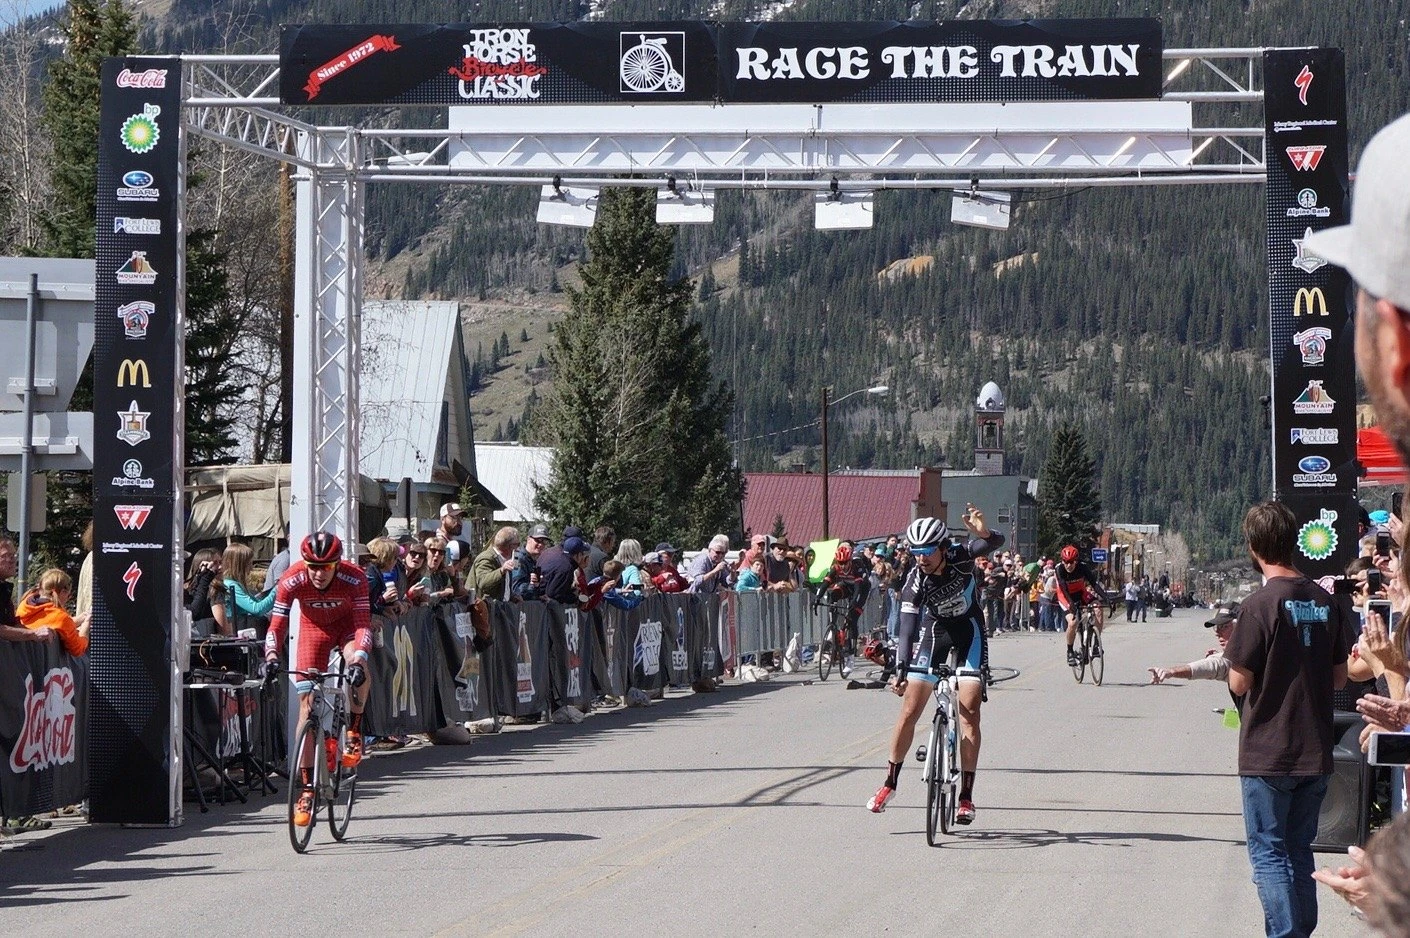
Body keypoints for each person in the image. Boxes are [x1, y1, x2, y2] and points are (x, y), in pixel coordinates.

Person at [1222, 501, 1350, 938]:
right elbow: (1339, 676)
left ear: (1254, 546)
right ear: (1293, 541)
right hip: (1315, 748)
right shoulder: (1324, 600)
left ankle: (1286, 934)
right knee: (1298, 850)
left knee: (1268, 854)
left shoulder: (1258, 605)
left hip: (1269, 751)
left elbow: (1239, 682)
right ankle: (1300, 930)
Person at [869, 507, 1003, 824]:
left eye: (928, 551)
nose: (922, 558)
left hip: (969, 630)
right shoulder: (915, 580)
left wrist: (983, 532)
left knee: (969, 710)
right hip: (936, 632)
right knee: (909, 709)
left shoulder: (960, 556)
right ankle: (889, 784)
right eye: (916, 552)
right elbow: (906, 629)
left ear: (943, 547)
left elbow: (993, 543)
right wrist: (901, 670)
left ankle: (966, 797)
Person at [262, 532, 374, 829]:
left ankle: (354, 731)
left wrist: (359, 659)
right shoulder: (292, 578)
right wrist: (271, 656)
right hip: (314, 631)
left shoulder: (354, 577)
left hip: (347, 628)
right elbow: (277, 625)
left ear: (337, 564)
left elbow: (363, 625)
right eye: (313, 566)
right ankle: (307, 791)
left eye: (325, 567)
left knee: (357, 664)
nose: (318, 573)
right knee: (307, 706)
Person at [1148, 603, 1238, 686]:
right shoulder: (1239, 655)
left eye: (1223, 627)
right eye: (1216, 627)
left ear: (1240, 627)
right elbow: (1218, 665)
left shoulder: (1244, 658)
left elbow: (1217, 665)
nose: (1217, 633)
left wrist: (1172, 672)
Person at [15, 569, 88, 656]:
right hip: (43, 662)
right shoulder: (60, 616)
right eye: (68, 595)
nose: (68, 598)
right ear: (63, 592)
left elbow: (51, 622)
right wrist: (86, 625)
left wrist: (79, 619)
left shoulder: (24, 605)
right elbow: (78, 649)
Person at [1056, 544, 1105, 668]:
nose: (1068, 565)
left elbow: (1094, 584)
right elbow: (1063, 588)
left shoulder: (1082, 567)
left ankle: (1096, 645)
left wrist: (1106, 598)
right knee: (1073, 623)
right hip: (1065, 596)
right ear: (1062, 561)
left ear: (1076, 561)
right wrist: (1071, 604)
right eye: (1066, 562)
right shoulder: (1059, 569)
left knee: (1098, 609)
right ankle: (1070, 651)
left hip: (1081, 593)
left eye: (1071, 562)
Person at [220, 543, 275, 634]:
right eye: (249, 563)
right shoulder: (231, 586)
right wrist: (277, 590)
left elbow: (257, 603)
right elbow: (256, 609)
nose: (251, 567)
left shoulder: (236, 584)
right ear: (239, 565)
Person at [472, 526, 520, 602]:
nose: (518, 548)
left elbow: (503, 588)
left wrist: (513, 597)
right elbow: (483, 582)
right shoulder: (486, 558)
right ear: (509, 546)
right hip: (485, 606)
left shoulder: (506, 559)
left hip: (501, 606)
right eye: (517, 544)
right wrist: (501, 571)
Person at [512, 523, 551, 601]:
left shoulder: (535, 560)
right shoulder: (517, 558)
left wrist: (539, 595)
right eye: (538, 540)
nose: (541, 544)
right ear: (528, 539)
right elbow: (516, 588)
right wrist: (533, 585)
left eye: (544, 541)